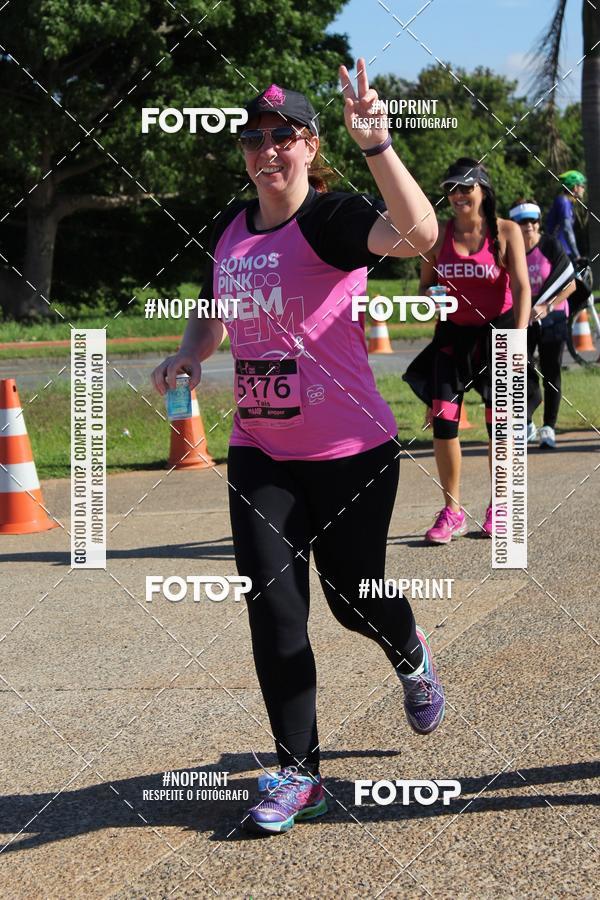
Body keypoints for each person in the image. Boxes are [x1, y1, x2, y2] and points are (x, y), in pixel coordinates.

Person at [152, 60, 443, 836]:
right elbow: (214, 311)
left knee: (353, 599)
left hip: (352, 450)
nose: (266, 151)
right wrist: (191, 354)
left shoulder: (335, 219)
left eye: (283, 137)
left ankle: (409, 651)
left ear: (311, 146)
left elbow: (420, 234)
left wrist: (380, 146)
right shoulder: (233, 234)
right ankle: (298, 771)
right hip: (260, 453)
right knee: (274, 610)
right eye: (253, 139)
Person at [403, 158, 531, 544]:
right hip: (452, 338)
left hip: (500, 334)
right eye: (451, 189)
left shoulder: (506, 231)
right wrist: (432, 297)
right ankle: (452, 511)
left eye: (465, 187)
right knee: (443, 423)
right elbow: (425, 287)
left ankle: (501, 506)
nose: (457, 196)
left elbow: (523, 288)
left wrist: (519, 338)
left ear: (483, 190)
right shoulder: (436, 236)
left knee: (501, 428)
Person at [509, 199, 576, 450]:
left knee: (552, 371)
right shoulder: (509, 249)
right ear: (514, 224)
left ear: (539, 222)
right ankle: (526, 422)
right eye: (522, 221)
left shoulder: (550, 246)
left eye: (533, 220)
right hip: (521, 319)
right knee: (522, 371)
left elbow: (570, 283)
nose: (529, 226)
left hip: (553, 316)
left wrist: (546, 306)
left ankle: (549, 427)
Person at [545, 170, 587, 264]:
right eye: (582, 186)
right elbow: (567, 230)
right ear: (575, 187)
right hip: (557, 253)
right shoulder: (563, 202)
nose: (584, 189)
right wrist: (577, 256)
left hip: (564, 252)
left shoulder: (568, 203)